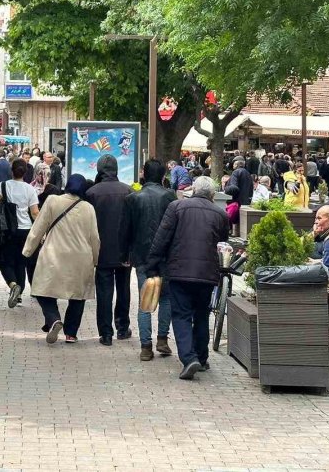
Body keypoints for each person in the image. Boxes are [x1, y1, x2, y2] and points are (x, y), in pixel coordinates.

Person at [145, 176, 229, 380]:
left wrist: (152, 264)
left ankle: (189, 358)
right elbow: (223, 242)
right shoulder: (220, 214)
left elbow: (161, 238)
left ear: (193, 190)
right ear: (212, 194)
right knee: (201, 314)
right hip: (207, 274)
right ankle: (201, 356)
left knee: (181, 315)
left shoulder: (177, 207)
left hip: (179, 271)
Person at [22, 174, 99, 344]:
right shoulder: (88, 208)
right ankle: (71, 333)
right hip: (81, 257)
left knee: (41, 289)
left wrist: (27, 251)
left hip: (54, 254)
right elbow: (95, 237)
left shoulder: (52, 201)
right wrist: (95, 259)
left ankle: (53, 318)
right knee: (78, 295)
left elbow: (38, 228)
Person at [120, 159, 176, 361]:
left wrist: (124, 254)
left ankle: (145, 346)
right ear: (163, 176)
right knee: (166, 298)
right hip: (166, 256)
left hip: (141, 255)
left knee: (145, 300)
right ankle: (162, 338)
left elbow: (125, 229)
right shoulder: (170, 196)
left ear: (143, 173)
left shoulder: (133, 198)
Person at [85, 155, 133, 346]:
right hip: (124, 250)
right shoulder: (128, 191)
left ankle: (105, 333)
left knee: (104, 292)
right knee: (123, 289)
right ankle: (122, 327)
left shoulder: (91, 193)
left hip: (101, 250)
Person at [0, 158, 40, 308]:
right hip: (25, 230)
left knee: (4, 260)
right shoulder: (30, 189)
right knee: (21, 262)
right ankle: (18, 294)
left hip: (7, 231)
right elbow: (35, 213)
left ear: (11, 171)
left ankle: (13, 286)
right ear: (25, 172)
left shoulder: (3, 186)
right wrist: (40, 232)